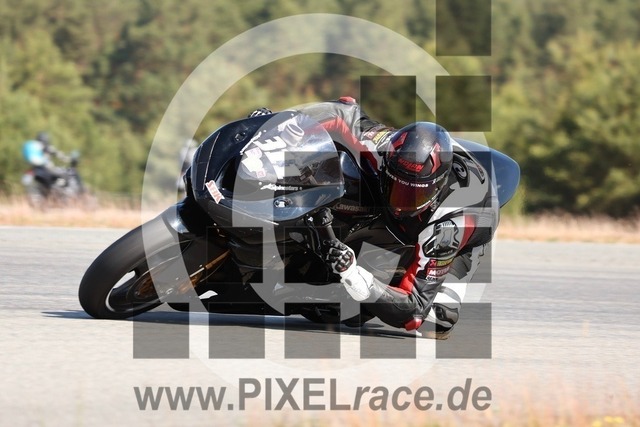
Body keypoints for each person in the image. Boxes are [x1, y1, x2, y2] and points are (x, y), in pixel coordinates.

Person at [250, 98, 499, 339]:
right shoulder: (382, 146)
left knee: (438, 319)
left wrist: (353, 274)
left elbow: (414, 310)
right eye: (397, 187)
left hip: (474, 216)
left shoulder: (450, 223)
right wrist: (276, 126)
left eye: (415, 194)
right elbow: (342, 111)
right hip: (422, 161)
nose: (400, 203)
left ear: (437, 187)